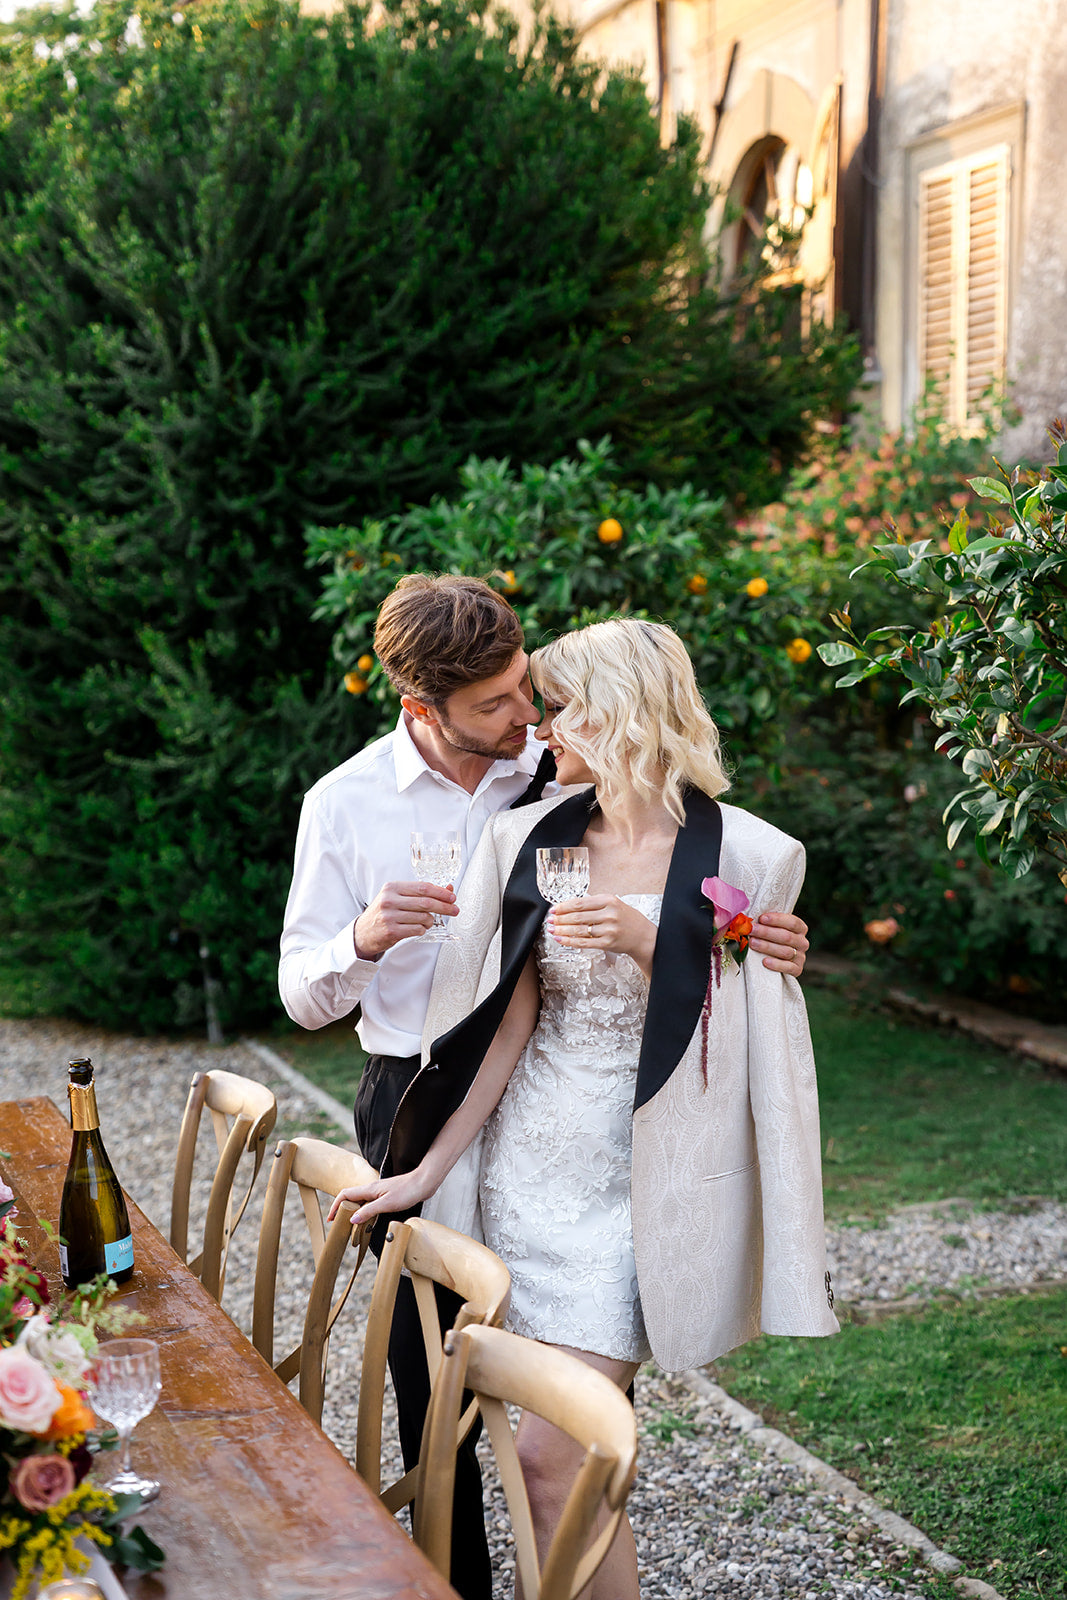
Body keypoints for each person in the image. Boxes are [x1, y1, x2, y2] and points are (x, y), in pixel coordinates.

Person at [280, 579, 811, 1600]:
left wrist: (666, 939)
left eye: (549, 705)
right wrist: (420, 1168)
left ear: (608, 716)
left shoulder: (745, 852)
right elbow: (503, 1022)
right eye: (515, 707)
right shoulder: (518, 828)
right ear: (425, 709)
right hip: (508, 1165)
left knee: (550, 1459)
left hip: (635, 1185)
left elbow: (754, 1004)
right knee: (511, 1449)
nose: (531, 727)